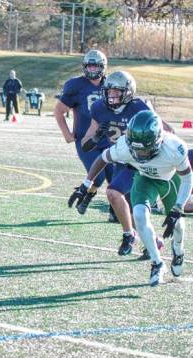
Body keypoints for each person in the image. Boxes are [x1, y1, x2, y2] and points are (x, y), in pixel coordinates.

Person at [69, 110, 192, 286]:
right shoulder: (125, 145)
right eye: (136, 149)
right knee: (140, 215)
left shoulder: (174, 147)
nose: (140, 154)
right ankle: (157, 263)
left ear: (158, 140)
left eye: (145, 149)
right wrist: (86, 184)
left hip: (169, 179)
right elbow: (102, 158)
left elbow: (187, 177)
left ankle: (178, 250)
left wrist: (178, 207)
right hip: (144, 179)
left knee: (178, 224)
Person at [75, 71, 170, 256]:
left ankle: (136, 237)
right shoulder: (99, 108)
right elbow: (86, 145)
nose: (111, 96)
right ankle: (142, 238)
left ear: (128, 91)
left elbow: (166, 131)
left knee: (130, 204)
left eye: (117, 91)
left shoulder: (140, 107)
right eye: (109, 91)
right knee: (120, 200)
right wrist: (96, 136)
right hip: (123, 160)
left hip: (144, 163)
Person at [54, 50, 113, 217]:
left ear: (103, 67)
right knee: (99, 176)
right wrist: (67, 134)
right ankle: (88, 195)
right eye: (90, 65)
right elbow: (58, 111)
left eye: (96, 66)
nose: (93, 69)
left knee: (114, 177)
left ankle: (113, 208)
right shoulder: (75, 85)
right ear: (84, 66)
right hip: (86, 140)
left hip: (108, 139)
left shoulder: (110, 85)